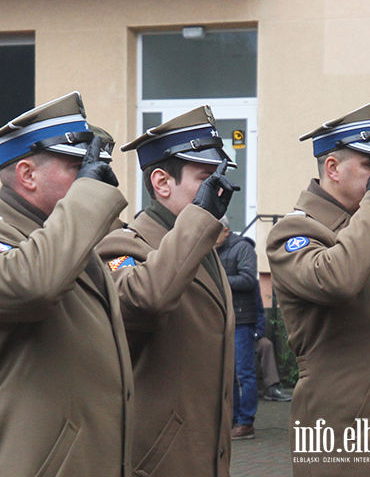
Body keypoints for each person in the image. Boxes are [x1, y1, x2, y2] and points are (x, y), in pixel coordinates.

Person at [0, 92, 133, 477]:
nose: (89, 176)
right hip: (34, 462)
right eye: (75, 167)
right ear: (27, 175)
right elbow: (37, 284)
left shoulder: (67, 238)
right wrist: (87, 198)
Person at [266, 101, 370, 474]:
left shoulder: (364, 223)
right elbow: (337, 280)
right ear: (332, 168)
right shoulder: (295, 230)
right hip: (345, 437)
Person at [97, 106, 239, 476]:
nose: (219, 191)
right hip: (158, 459)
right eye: (206, 178)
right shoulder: (123, 245)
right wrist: (200, 218)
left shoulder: (202, 246)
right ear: (162, 183)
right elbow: (146, 300)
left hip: (204, 453)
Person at [216, 217, 260, 440]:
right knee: (228, 373)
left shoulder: (242, 248)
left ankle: (246, 423)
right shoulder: (212, 249)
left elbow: (248, 280)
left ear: (225, 231)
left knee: (244, 373)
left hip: (242, 320)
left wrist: (218, 279)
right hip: (222, 319)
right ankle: (231, 418)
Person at [253, 285, 293, 402]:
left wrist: (256, 334)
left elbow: (260, 314)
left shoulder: (252, 286)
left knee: (266, 345)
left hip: (251, 335)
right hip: (233, 336)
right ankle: (238, 389)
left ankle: (272, 387)